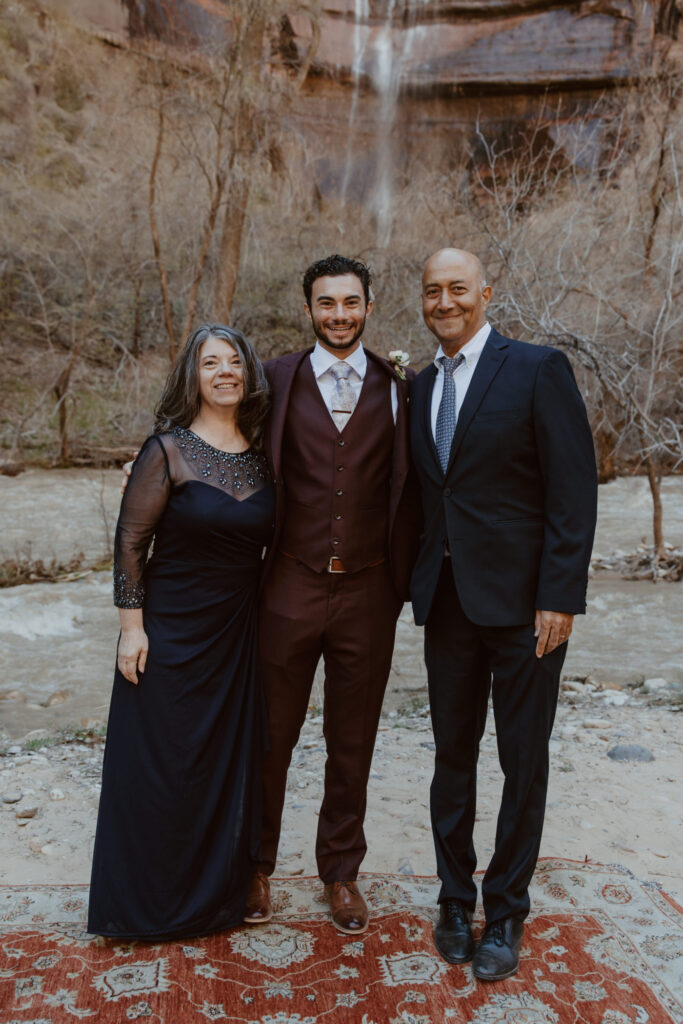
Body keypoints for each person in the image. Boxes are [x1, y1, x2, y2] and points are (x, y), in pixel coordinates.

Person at [409, 248, 597, 980]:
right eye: (432, 291)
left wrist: (560, 594)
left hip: (526, 610)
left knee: (522, 763)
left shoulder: (536, 369)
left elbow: (571, 491)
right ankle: (454, 900)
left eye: (458, 288)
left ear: (484, 293)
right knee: (450, 759)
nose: (444, 301)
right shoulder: (421, 384)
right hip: (447, 604)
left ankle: (506, 911)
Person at [245, 254, 419, 935]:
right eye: (326, 303)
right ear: (308, 308)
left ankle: (340, 873)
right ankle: (254, 863)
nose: (338, 315)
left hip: (370, 590)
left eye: (350, 303)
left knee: (353, 739)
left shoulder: (400, 384)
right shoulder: (275, 378)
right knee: (270, 737)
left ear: (369, 306)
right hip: (287, 581)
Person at [88, 324, 273, 940]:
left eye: (233, 362)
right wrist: (131, 629)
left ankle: (211, 899)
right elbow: (130, 542)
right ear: (192, 377)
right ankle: (141, 906)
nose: (224, 372)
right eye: (209, 363)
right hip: (169, 629)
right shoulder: (165, 450)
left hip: (235, 634)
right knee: (161, 764)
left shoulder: (263, 450)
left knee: (219, 766)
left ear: (247, 373)